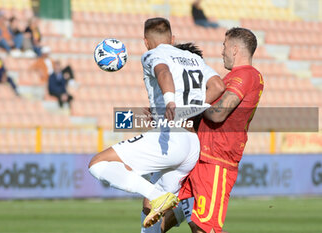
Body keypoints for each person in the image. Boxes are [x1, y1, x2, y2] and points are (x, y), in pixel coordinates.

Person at [88, 17, 224, 228]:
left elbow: (163, 72)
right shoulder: (193, 58)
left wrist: (170, 102)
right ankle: (165, 201)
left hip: (170, 139)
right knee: (149, 210)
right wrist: (185, 112)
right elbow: (217, 86)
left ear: (146, 42)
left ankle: (159, 196)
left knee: (98, 164)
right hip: (192, 145)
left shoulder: (153, 54)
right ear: (173, 38)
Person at [158, 27, 264, 233]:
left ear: (234, 49)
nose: (221, 51)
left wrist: (195, 102)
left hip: (217, 160)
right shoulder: (234, 76)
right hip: (201, 155)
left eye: (224, 46)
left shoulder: (247, 75)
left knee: (205, 227)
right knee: (174, 213)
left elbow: (217, 113)